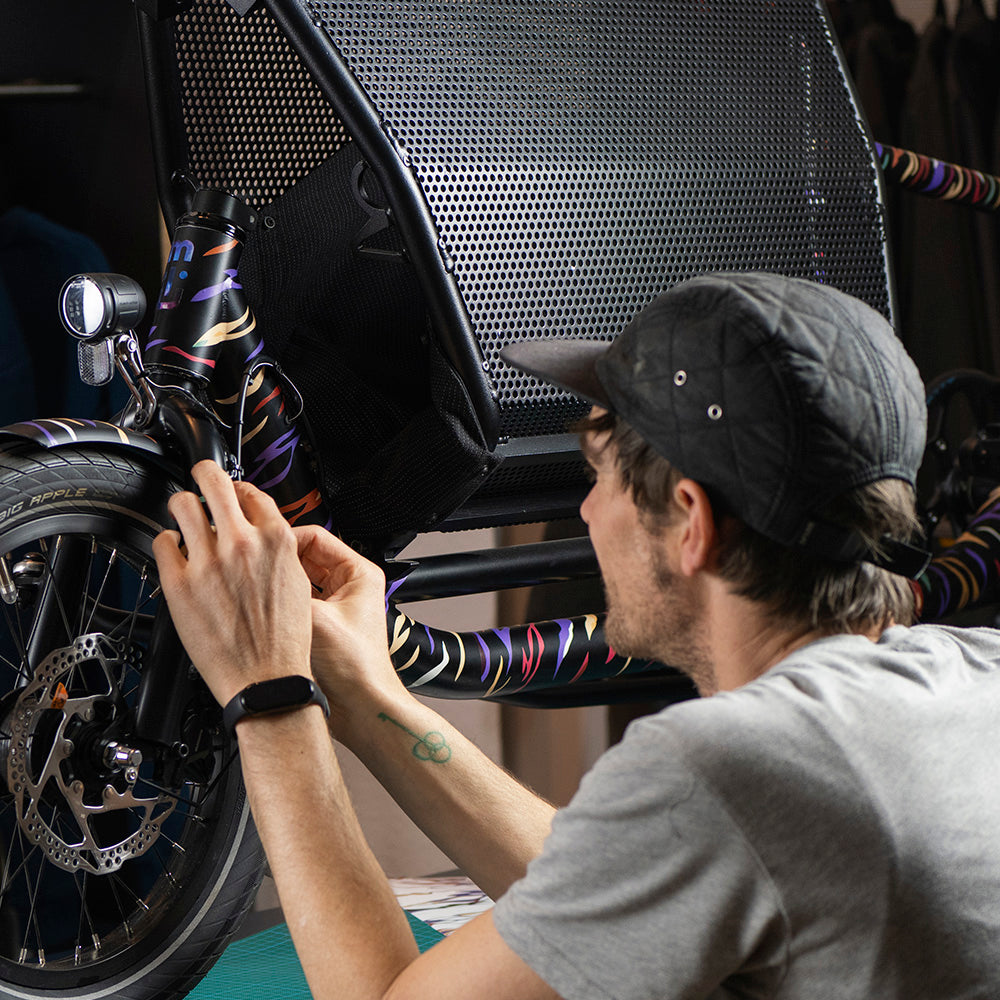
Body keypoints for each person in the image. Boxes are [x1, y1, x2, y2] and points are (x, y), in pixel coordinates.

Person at [152, 272, 1000, 999]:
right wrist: (368, 696)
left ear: (691, 521)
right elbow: (627, 882)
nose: (588, 511)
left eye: (598, 476)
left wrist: (269, 691)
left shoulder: (732, 766)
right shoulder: (976, 675)